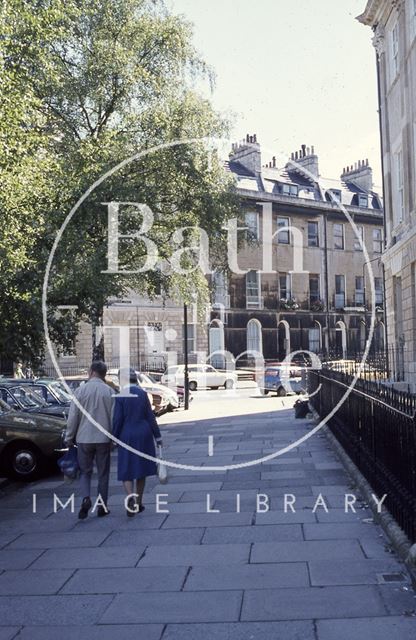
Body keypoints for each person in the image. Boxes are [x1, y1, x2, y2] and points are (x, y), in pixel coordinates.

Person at [65, 361, 114, 519]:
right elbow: (114, 418)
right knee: (103, 473)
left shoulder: (80, 391)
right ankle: (102, 506)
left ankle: (86, 498)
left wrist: (69, 437)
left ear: (92, 372)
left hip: (83, 438)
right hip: (103, 438)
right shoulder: (109, 391)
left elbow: (73, 417)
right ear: (103, 374)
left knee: (85, 472)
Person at [113, 369, 162, 516]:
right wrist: (158, 437)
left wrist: (113, 438)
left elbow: (117, 419)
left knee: (126, 469)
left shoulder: (121, 395)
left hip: (127, 434)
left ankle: (130, 497)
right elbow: (150, 416)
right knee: (141, 470)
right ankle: (139, 503)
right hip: (144, 434)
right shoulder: (142, 394)